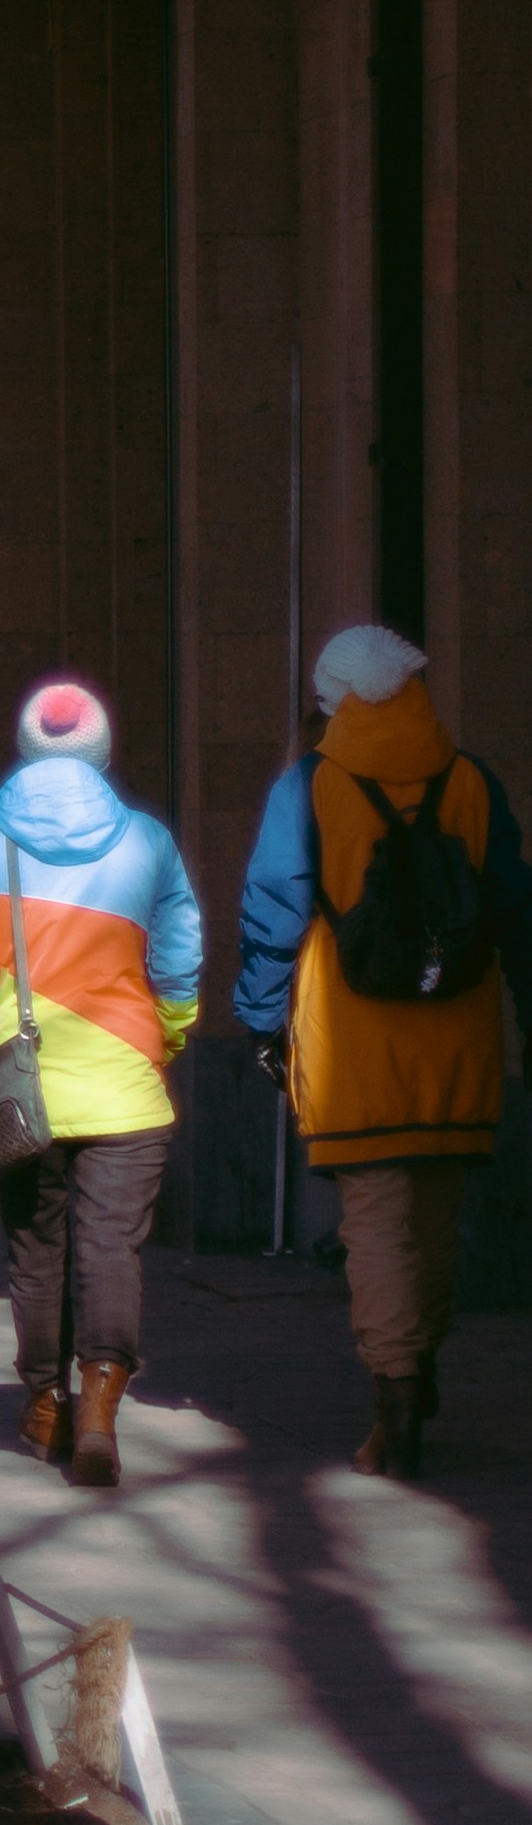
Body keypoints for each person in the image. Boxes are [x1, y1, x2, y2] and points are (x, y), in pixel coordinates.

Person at [235, 622, 532, 1481]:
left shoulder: (310, 785)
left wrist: (259, 1018)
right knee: (434, 1216)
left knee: (374, 1226)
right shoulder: (472, 779)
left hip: (354, 1038)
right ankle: (420, 1365)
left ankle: (395, 1403)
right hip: (457, 1034)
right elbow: (516, 906)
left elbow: (273, 913)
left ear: (333, 697)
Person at [0, 679, 201, 1492]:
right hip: (125, 1087)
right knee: (109, 1249)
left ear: (26, 747)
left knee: (34, 1246)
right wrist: (172, 1030)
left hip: (26, 1089)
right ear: (101, 753)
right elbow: (178, 953)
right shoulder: (149, 841)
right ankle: (98, 1409)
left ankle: (42, 1402)